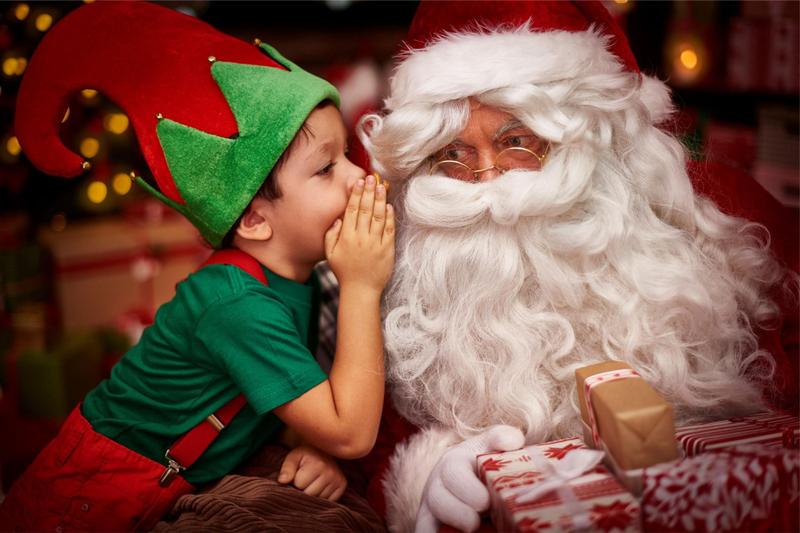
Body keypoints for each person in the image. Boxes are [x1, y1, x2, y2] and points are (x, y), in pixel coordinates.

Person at [356, 1, 799, 531]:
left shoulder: (724, 217)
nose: (487, 181)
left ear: (591, 137)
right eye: (453, 153)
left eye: (517, 142)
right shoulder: (400, 262)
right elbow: (369, 449)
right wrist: (422, 475)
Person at [0, 2, 394, 531]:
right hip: (87, 501)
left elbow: (299, 407)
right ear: (254, 220)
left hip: (191, 473)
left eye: (346, 155)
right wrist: (364, 286)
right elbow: (351, 431)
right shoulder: (236, 304)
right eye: (326, 168)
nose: (355, 177)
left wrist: (310, 445)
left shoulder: (304, 276)